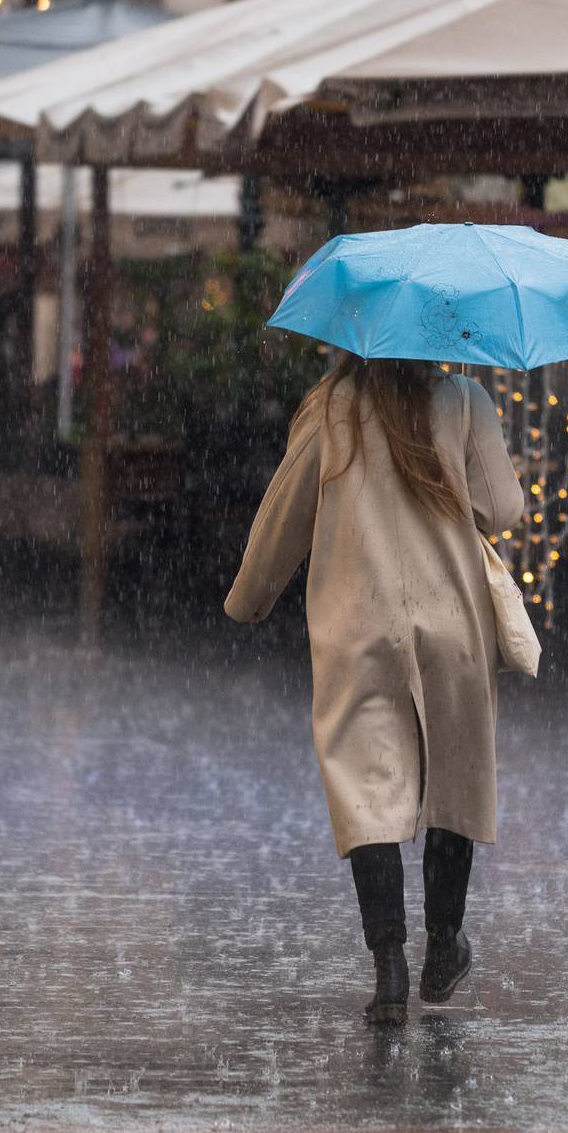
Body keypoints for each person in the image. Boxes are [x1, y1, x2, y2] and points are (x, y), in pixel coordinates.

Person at [225, 353, 525, 1025]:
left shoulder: (331, 406)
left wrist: (250, 596)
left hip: (359, 622)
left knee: (368, 787)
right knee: (454, 779)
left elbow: (285, 516)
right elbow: (501, 508)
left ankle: (388, 963)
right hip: (451, 621)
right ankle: (444, 945)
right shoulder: (465, 400)